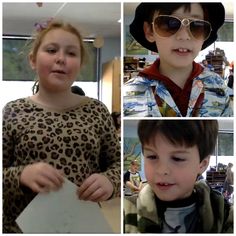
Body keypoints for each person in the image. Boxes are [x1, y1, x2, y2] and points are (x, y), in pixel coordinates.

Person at [2, 20, 121, 233]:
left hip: (81, 226)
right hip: (22, 229)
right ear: (32, 60)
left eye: (71, 53)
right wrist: (20, 175)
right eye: (51, 50)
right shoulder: (13, 111)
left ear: (80, 64)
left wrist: (110, 182)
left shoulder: (97, 111)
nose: (61, 59)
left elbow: (118, 164)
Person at [123, 3, 232, 117]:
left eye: (197, 26)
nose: (184, 36)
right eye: (169, 24)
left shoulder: (218, 86)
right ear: (150, 31)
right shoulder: (128, 94)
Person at [124, 120, 233, 233]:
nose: (162, 171)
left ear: (202, 164)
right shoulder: (126, 212)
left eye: (177, 158)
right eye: (152, 157)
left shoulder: (225, 216)